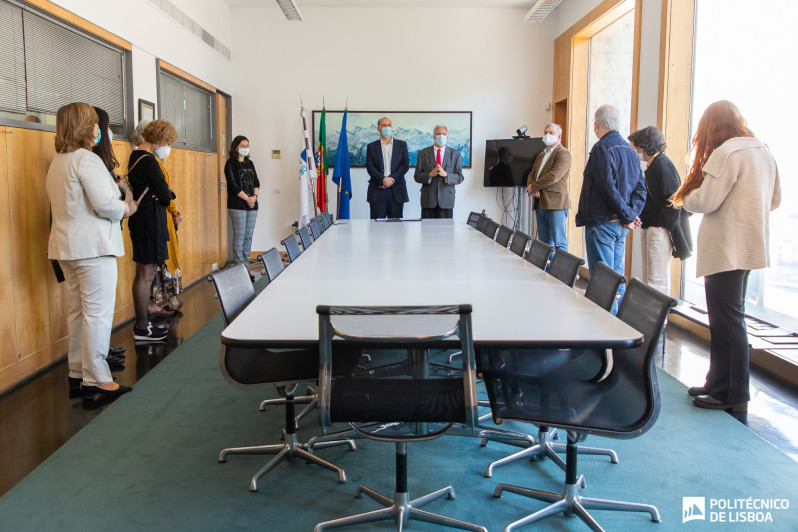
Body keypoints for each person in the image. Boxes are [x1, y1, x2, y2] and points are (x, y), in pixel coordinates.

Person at [672, 100, 780, 413]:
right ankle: (717, 382)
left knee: (727, 321)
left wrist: (686, 197)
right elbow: (775, 199)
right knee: (728, 318)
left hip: (726, 247)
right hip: (750, 245)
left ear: (712, 127)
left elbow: (704, 201)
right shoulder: (763, 151)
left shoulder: (728, 152)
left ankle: (730, 392)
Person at [46, 102, 140, 404]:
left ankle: (77, 373)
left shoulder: (58, 161)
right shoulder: (86, 160)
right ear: (86, 127)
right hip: (92, 249)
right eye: (95, 124)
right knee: (97, 316)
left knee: (78, 314)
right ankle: (97, 380)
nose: (100, 130)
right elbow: (107, 206)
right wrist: (126, 206)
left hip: (67, 248)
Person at [575, 104, 646, 313]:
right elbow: (641, 189)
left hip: (602, 222)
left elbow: (607, 188)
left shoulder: (601, 149)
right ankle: (617, 325)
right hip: (621, 226)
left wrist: (627, 214)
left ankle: (607, 329)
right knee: (617, 278)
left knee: (604, 281)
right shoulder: (631, 152)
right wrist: (630, 215)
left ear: (596, 125)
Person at [127, 119, 178, 340]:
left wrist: (165, 192)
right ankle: (141, 326)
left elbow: (164, 192)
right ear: (159, 139)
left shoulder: (135, 155)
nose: (167, 147)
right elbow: (166, 195)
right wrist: (166, 193)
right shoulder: (149, 161)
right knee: (145, 274)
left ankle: (142, 324)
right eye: (167, 141)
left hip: (142, 221)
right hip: (150, 222)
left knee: (143, 273)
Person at [627, 126, 683, 297]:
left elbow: (674, 199)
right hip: (650, 226)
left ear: (644, 146)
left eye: (637, 146)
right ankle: (648, 318)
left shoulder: (662, 164)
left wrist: (661, 224)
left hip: (658, 229)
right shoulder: (654, 165)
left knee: (657, 279)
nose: (636, 150)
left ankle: (658, 320)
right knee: (648, 277)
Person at [526, 123, 572, 252]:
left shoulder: (564, 154)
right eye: (546, 132)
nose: (548, 135)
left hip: (555, 203)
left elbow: (553, 176)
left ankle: (562, 272)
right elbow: (532, 173)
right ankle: (547, 270)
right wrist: (531, 186)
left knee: (559, 242)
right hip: (540, 202)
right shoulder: (541, 155)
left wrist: (534, 187)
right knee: (545, 242)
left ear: (559, 136)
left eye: (551, 133)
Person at [224, 135, 260, 282]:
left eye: (247, 145)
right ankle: (239, 271)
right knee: (239, 237)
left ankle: (246, 269)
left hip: (252, 204)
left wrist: (254, 198)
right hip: (238, 204)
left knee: (248, 237)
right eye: (243, 145)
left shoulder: (250, 163)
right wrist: (247, 198)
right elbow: (233, 186)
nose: (245, 148)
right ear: (236, 147)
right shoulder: (230, 164)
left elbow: (257, 182)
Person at [413, 125, 464, 218]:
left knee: (445, 231)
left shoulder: (455, 154)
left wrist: (446, 175)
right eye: (438, 134)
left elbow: (460, 177)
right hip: (428, 199)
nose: (441, 136)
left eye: (443, 134)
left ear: (447, 136)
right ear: (434, 136)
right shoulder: (423, 153)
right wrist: (429, 175)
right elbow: (417, 176)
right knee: (427, 231)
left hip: (446, 200)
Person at [366, 117, 409, 219]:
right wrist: (382, 180)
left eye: (389, 125)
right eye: (384, 125)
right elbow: (370, 167)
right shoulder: (371, 146)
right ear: (378, 129)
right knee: (376, 228)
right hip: (378, 190)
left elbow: (404, 165)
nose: (387, 127)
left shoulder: (402, 145)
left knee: (396, 228)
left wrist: (390, 179)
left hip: (397, 191)